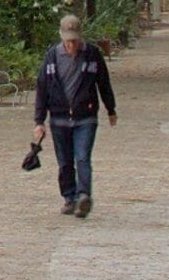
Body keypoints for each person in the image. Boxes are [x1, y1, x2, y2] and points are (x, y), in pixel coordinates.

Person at [33, 14, 117, 218]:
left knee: (82, 158)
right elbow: (42, 88)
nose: (71, 45)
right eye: (68, 40)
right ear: (61, 37)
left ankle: (84, 196)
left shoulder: (92, 55)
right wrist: (39, 120)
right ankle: (69, 197)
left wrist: (110, 109)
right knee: (64, 162)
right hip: (59, 117)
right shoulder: (52, 57)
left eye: (75, 40)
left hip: (85, 116)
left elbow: (103, 83)